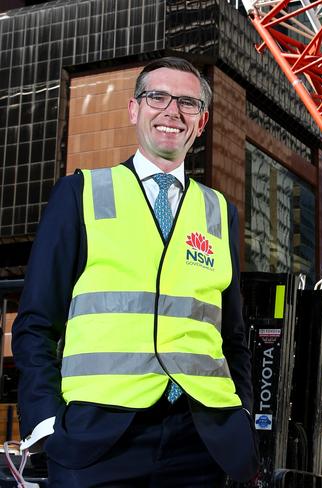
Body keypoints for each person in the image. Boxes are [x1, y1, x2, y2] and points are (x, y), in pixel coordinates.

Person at [12, 56, 258, 487]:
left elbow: (232, 335)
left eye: (187, 103)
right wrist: (47, 423)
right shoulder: (81, 193)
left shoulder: (219, 211)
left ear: (201, 123)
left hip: (200, 441)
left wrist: (241, 413)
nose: (171, 111)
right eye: (157, 97)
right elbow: (34, 323)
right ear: (133, 109)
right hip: (96, 438)